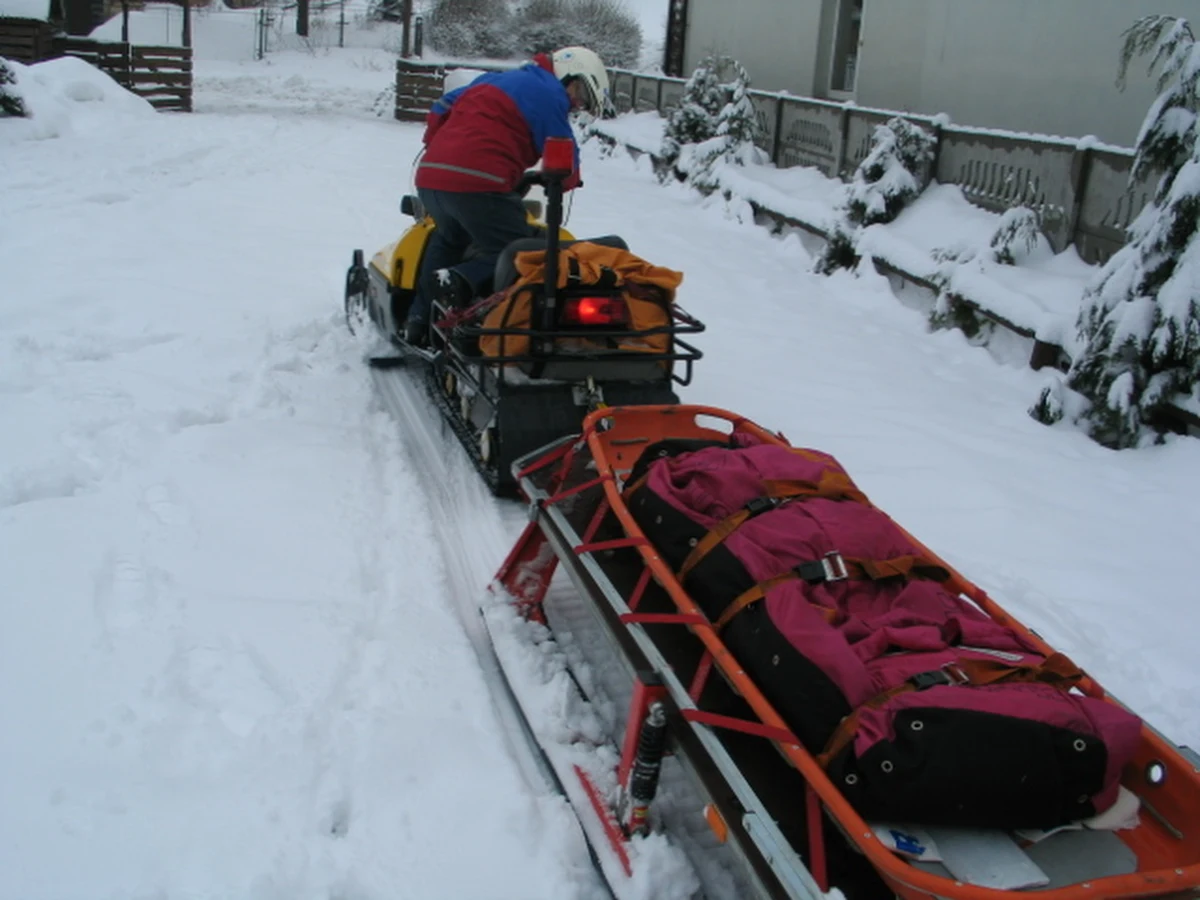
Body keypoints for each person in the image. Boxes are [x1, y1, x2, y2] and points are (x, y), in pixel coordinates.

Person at [403, 46, 611, 345]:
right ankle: (459, 283)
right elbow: (560, 145)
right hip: (477, 181)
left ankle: (419, 318)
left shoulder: (496, 80)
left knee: (448, 240)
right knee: (521, 252)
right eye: (581, 91)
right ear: (569, 72)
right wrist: (568, 179)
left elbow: (442, 107)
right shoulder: (548, 91)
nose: (578, 103)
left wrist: (438, 144)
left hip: (431, 176)